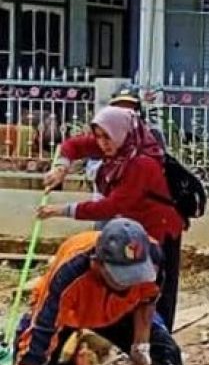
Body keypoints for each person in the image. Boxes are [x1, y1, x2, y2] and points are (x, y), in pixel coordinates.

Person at [41, 107, 186, 330]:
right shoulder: (115, 147)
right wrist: (61, 168)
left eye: (106, 137)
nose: (101, 143)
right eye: (98, 136)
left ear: (121, 131)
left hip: (159, 230)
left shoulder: (141, 162)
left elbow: (112, 206)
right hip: (132, 227)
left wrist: (61, 210)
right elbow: (73, 145)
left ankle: (157, 344)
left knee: (153, 289)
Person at [11, 218, 162, 365]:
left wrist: (141, 347)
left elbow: (147, 301)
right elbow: (43, 329)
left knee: (165, 357)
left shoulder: (151, 257)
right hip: (70, 314)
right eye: (121, 276)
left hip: (118, 312)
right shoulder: (69, 272)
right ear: (96, 263)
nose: (129, 283)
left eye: (134, 275)